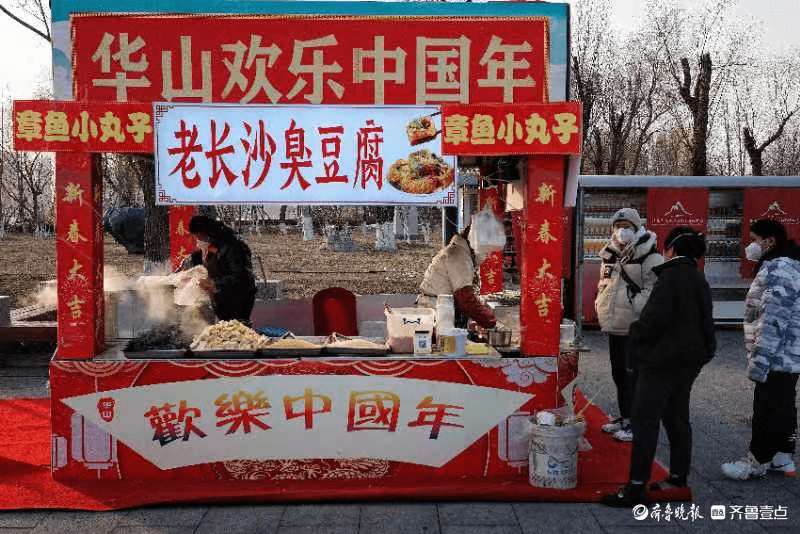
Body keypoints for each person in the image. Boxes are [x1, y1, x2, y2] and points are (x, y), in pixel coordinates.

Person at [602, 227, 716, 507]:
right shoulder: (698, 278)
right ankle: (678, 476)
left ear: (671, 250)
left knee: (645, 421)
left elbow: (653, 321)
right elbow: (707, 325)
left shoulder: (670, 278)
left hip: (661, 362)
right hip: (688, 362)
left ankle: (637, 486)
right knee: (678, 419)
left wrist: (635, 339)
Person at [721, 219, 800, 480]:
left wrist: (760, 360)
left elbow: (773, 318)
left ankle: (756, 461)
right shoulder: (789, 263)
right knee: (785, 405)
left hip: (777, 352)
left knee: (767, 406)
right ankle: (783, 457)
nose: (751, 246)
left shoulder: (779, 267)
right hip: (790, 351)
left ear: (769, 241)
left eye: (754, 240)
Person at [594, 208, 664, 441]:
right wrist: (599, 305)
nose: (621, 230)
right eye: (617, 225)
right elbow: (604, 284)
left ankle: (637, 424)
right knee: (619, 374)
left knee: (634, 376)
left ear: (636, 228)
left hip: (634, 325)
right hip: (614, 324)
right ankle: (625, 417)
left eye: (627, 226)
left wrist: (636, 305)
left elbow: (654, 289)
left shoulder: (650, 256)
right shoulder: (611, 254)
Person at [181, 215, 257, 325]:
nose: (198, 241)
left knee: (236, 331)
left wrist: (214, 283)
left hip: (239, 300)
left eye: (200, 237)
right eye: (196, 238)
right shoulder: (211, 244)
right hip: (220, 301)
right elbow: (198, 259)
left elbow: (242, 277)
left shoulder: (233, 246)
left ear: (208, 233)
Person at [418, 225, 497, 329]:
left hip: (436, 309)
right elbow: (465, 299)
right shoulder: (459, 256)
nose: (487, 253)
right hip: (437, 313)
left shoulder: (460, 252)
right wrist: (489, 320)